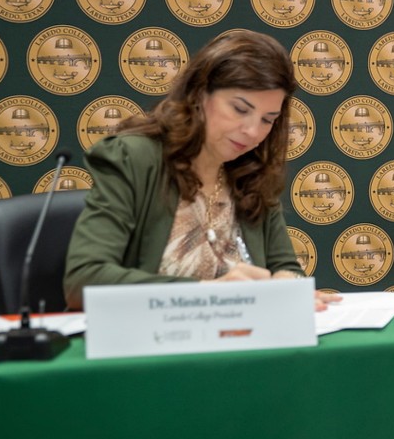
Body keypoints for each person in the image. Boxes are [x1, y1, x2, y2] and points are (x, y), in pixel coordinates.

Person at [64, 30, 338, 311]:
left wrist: (287, 284)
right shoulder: (134, 157)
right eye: (240, 109)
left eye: (268, 120)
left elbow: (285, 266)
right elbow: (84, 280)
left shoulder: (252, 172)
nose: (253, 132)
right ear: (199, 94)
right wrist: (209, 292)